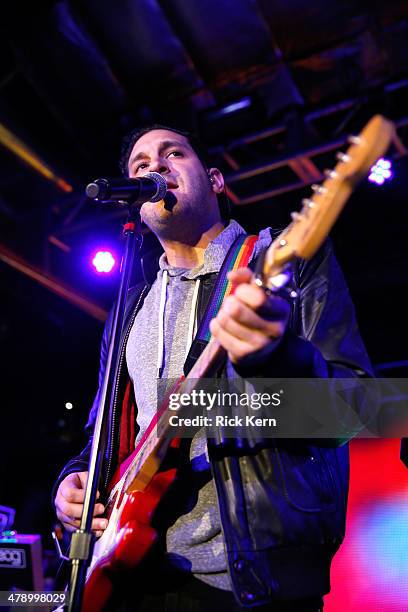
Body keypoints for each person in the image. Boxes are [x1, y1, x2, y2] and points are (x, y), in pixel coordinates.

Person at [53, 125, 372, 611]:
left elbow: (355, 409)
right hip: (133, 576)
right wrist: (73, 481)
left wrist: (275, 359)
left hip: (250, 582)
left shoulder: (281, 264)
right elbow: (101, 437)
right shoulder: (128, 311)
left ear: (217, 180)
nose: (154, 167)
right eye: (140, 166)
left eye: (173, 153)